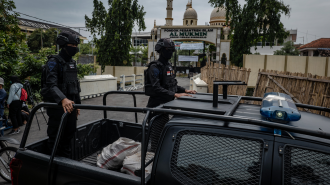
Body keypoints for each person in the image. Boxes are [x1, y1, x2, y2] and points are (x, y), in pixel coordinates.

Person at [41, 31, 81, 157]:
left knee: (69, 135)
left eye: (76, 46)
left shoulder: (72, 63)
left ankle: (66, 164)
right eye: (72, 45)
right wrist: (63, 99)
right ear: (64, 45)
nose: (74, 48)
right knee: (56, 137)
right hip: (58, 106)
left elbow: (75, 84)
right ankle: (53, 166)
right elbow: (51, 85)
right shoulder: (53, 62)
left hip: (71, 106)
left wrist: (78, 104)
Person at [145, 38, 196, 108]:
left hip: (167, 104)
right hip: (156, 107)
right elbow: (157, 88)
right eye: (168, 50)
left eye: (172, 50)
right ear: (161, 50)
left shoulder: (168, 66)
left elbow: (171, 85)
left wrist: (186, 90)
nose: (171, 52)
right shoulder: (155, 67)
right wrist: (175, 94)